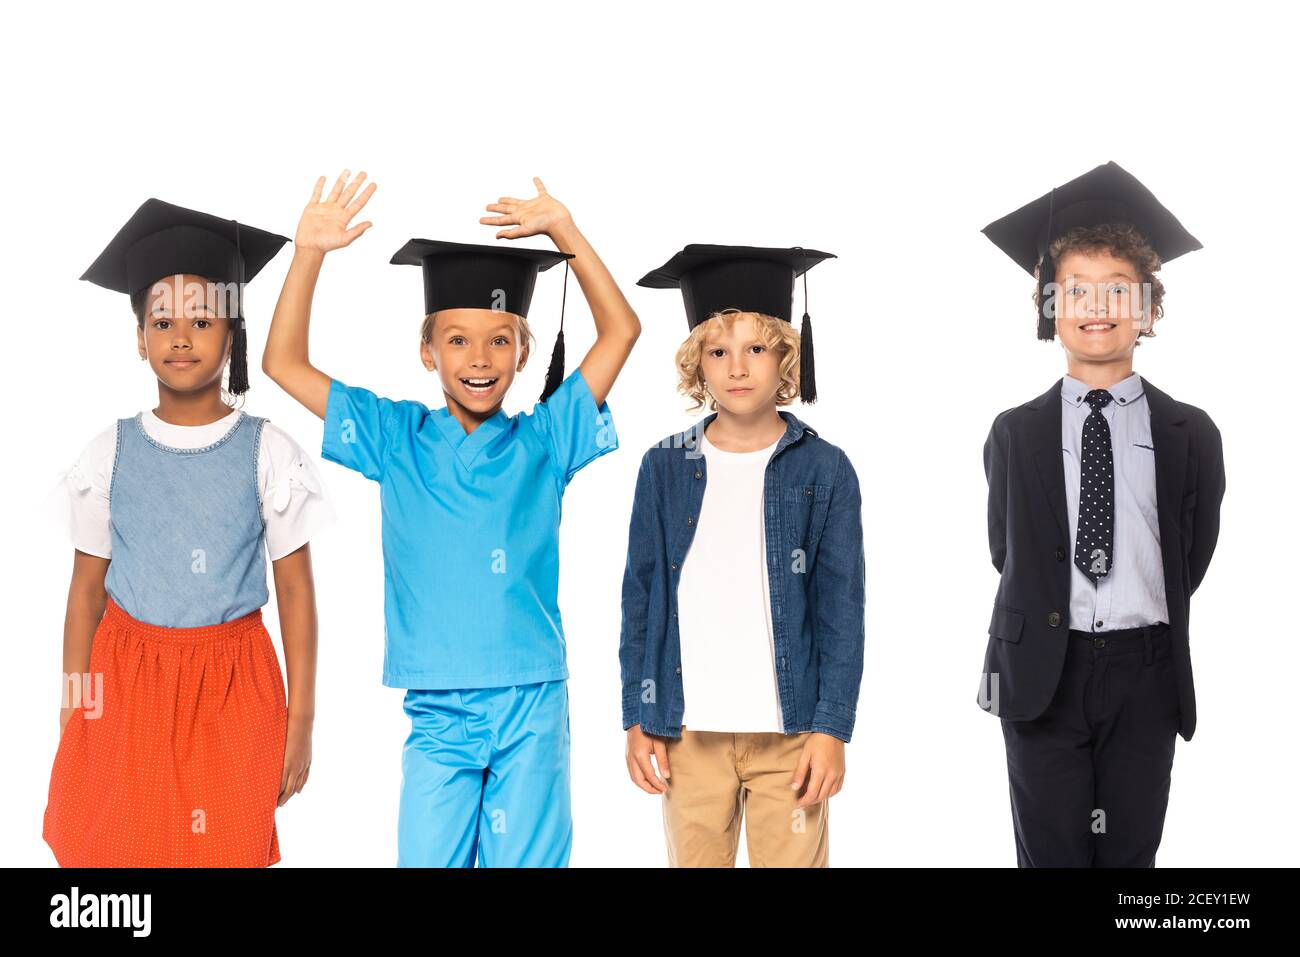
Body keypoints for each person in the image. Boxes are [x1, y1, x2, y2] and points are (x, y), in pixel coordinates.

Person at [262, 171, 640, 866]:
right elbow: (282, 363)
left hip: (530, 702)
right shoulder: (394, 436)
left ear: (524, 353)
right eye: (458, 340)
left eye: (500, 340)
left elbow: (623, 329)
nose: (479, 359)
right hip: (437, 711)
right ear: (427, 351)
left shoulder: (548, 438)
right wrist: (308, 250)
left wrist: (566, 229)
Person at [44, 198, 329, 866]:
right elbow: (86, 592)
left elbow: (295, 593)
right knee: (119, 854)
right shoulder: (108, 452)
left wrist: (302, 720)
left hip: (234, 690)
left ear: (232, 334)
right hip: (126, 683)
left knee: (223, 847)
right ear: (139, 336)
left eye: (202, 320)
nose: (181, 336)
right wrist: (73, 704)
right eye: (162, 320)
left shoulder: (269, 451)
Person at [977, 161, 1226, 866]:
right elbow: (1009, 549)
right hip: (1040, 678)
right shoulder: (1014, 431)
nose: (1097, 304)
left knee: (1128, 859)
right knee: (1052, 853)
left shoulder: (1190, 433)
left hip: (1144, 673)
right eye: (1077, 289)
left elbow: (1189, 550)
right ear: (1050, 306)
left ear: (1148, 308)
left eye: (1119, 289)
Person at [621, 244, 865, 866]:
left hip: (791, 735)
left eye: (756, 348)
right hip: (689, 734)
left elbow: (840, 608)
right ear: (696, 361)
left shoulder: (825, 468)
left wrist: (833, 729)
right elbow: (642, 595)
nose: (737, 367)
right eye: (717, 350)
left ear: (785, 354)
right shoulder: (665, 465)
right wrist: (637, 714)